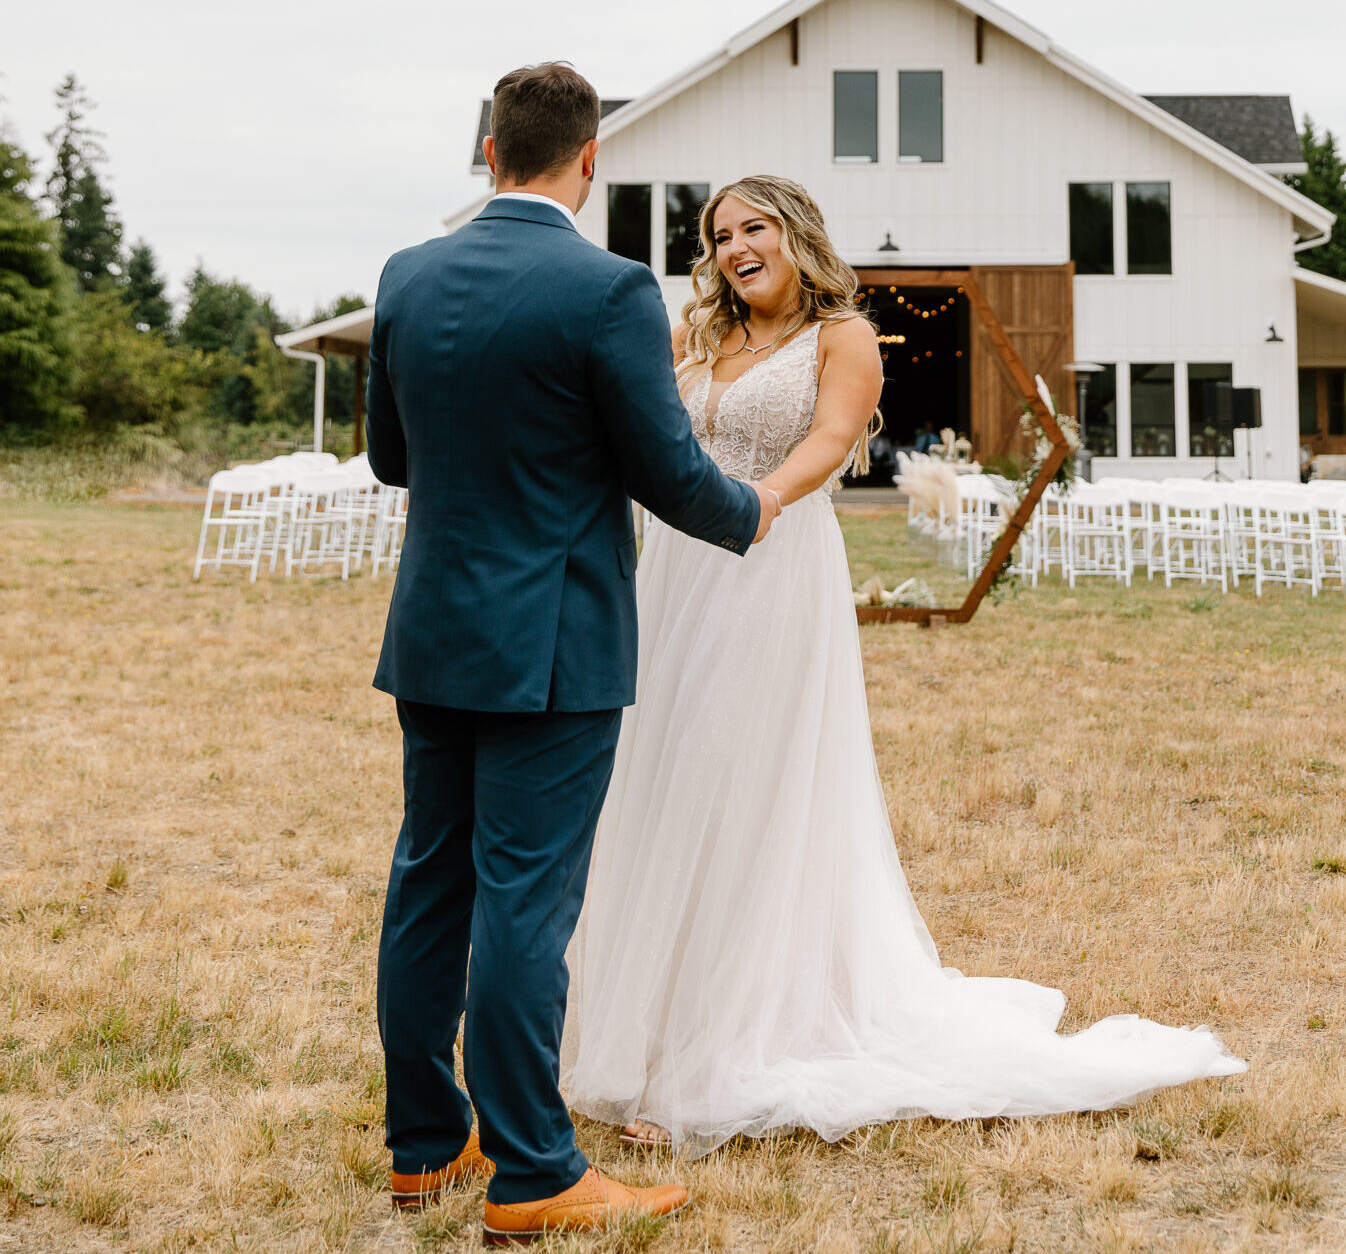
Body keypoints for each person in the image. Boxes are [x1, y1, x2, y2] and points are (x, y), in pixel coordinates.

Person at [564, 175, 1244, 1157]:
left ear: (795, 235)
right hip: (672, 575)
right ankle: (647, 1030)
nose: (734, 247)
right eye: (718, 235)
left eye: (753, 227)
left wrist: (748, 510)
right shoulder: (693, 335)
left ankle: (721, 1046)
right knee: (661, 774)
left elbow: (829, 444)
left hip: (767, 560)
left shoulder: (842, 337)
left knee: (734, 781)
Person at [365, 63, 779, 1245]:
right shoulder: (607, 291)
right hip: (552, 640)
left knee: (429, 881)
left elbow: (395, 459)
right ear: (587, 161)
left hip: (434, 629)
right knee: (526, 904)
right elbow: (665, 471)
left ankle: (422, 1146)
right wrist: (756, 512)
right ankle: (536, 1169)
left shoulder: (407, 273)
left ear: (488, 150)